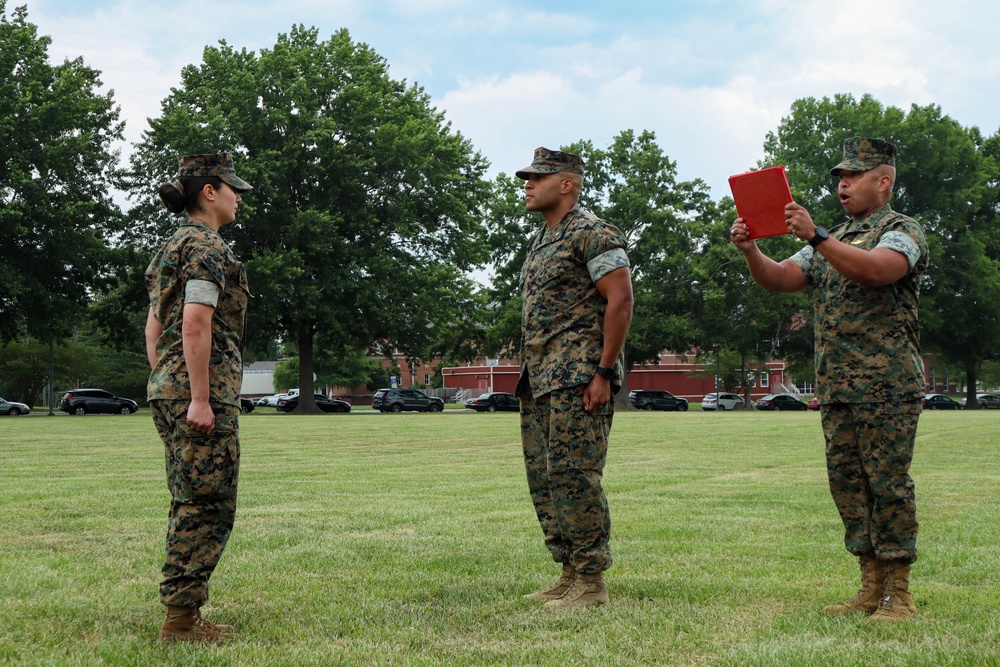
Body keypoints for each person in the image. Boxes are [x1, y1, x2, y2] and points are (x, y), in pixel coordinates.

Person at [730, 137, 928, 621]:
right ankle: (869, 585)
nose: (843, 183)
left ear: (883, 180)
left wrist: (817, 237)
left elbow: (881, 271)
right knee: (849, 486)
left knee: (887, 484)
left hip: (886, 385)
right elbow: (780, 278)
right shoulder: (834, 236)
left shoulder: (901, 230)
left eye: (854, 175)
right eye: (840, 176)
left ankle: (898, 593)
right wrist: (751, 249)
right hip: (837, 386)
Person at [514, 147, 633, 609]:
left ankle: (591, 581)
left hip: (578, 376)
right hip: (540, 379)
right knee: (546, 479)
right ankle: (569, 570)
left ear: (567, 184)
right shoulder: (544, 239)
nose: (527, 184)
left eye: (537, 178)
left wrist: (603, 372)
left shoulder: (593, 233)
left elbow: (620, 301)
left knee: (576, 476)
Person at [144, 153, 252, 641]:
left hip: (169, 388)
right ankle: (182, 620)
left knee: (188, 497)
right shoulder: (206, 247)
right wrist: (200, 398)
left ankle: (182, 612)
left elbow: (153, 328)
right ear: (210, 191)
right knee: (207, 503)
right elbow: (194, 321)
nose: (239, 196)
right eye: (233, 188)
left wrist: (168, 381)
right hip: (197, 393)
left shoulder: (171, 247)